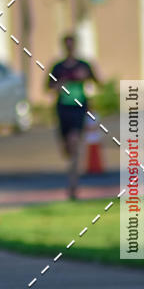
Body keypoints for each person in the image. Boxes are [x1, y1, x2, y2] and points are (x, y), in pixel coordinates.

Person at [47, 33, 101, 200]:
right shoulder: (58, 67)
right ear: (64, 47)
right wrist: (60, 84)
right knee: (67, 148)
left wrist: (85, 77)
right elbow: (48, 87)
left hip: (79, 108)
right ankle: (71, 168)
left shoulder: (83, 65)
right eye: (67, 45)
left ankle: (73, 186)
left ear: (75, 46)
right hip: (63, 109)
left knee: (75, 142)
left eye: (72, 44)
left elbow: (98, 82)